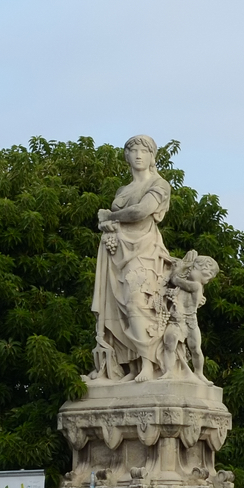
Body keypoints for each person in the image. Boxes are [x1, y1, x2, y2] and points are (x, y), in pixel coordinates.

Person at [93, 135, 175, 381]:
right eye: (133, 150)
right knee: (118, 310)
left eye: (144, 150)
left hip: (145, 249)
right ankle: (129, 366)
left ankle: (149, 364)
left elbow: (142, 210)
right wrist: (107, 224)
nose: (138, 154)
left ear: (152, 157)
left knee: (138, 303)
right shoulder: (123, 190)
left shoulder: (159, 185)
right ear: (126, 156)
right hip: (117, 252)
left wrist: (110, 218)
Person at [162, 250, 219, 381]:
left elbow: (175, 279)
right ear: (196, 269)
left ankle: (199, 373)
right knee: (170, 345)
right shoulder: (193, 286)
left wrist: (180, 266)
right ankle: (169, 371)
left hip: (190, 320)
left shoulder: (196, 286)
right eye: (208, 274)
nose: (209, 279)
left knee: (196, 349)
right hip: (177, 319)